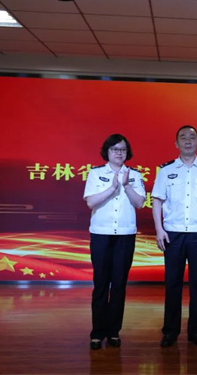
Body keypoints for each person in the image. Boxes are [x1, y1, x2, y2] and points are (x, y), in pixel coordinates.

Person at [152, 125, 197, 348]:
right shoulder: (166, 171)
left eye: (192, 137)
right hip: (173, 234)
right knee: (172, 284)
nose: (188, 141)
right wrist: (159, 229)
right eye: (183, 137)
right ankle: (170, 331)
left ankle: (196, 332)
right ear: (176, 143)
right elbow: (157, 200)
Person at [83, 134, 146, 350]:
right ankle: (97, 332)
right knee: (101, 284)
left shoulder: (135, 175)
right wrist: (112, 187)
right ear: (107, 152)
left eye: (122, 149)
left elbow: (139, 203)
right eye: (115, 149)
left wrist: (126, 186)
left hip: (125, 235)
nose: (119, 153)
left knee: (119, 285)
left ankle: (113, 331)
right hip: (101, 234)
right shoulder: (96, 173)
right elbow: (90, 202)